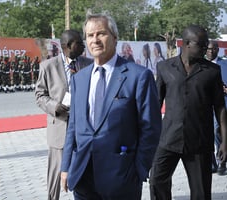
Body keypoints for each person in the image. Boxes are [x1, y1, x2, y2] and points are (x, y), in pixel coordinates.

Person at [60, 12, 161, 199]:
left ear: (115, 38)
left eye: (101, 34)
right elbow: (73, 127)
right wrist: (66, 167)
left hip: (122, 178)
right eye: (90, 35)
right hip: (83, 176)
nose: (95, 40)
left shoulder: (138, 76)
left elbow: (151, 127)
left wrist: (139, 169)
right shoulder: (79, 79)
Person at [149, 25, 227, 200]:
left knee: (201, 192)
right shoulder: (164, 67)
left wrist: (224, 141)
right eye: (202, 44)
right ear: (186, 44)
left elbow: (220, 108)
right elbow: (155, 106)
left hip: (199, 142)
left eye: (207, 43)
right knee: (156, 181)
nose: (206, 48)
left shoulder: (212, 71)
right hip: (168, 139)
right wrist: (148, 138)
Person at [35, 29, 93, 200]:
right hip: (60, 126)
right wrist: (55, 107)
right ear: (67, 46)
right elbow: (39, 95)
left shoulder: (89, 64)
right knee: (56, 173)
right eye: (79, 43)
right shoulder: (47, 66)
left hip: (84, 128)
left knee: (84, 171)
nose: (84, 46)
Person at [205, 40, 227, 175]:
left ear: (217, 50)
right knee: (209, 133)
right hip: (205, 105)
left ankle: (222, 161)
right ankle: (213, 162)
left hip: (221, 104)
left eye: (212, 49)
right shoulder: (201, 65)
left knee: (218, 130)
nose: (210, 51)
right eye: (207, 49)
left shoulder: (224, 65)